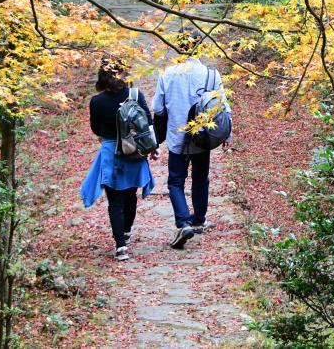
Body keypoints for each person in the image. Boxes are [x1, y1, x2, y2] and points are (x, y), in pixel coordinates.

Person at [152, 31, 231, 249]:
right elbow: (222, 106)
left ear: (178, 46)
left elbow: (157, 108)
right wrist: (227, 133)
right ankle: (199, 220)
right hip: (202, 137)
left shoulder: (167, 74)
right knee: (200, 178)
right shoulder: (211, 74)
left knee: (175, 181)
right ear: (200, 47)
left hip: (177, 137)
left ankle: (183, 221)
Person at [80, 57, 156, 261]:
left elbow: (95, 128)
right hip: (133, 151)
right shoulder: (135, 95)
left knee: (114, 201)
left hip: (110, 153)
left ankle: (120, 246)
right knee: (130, 194)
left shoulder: (96, 101)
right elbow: (148, 123)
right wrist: (152, 147)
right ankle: (126, 231)